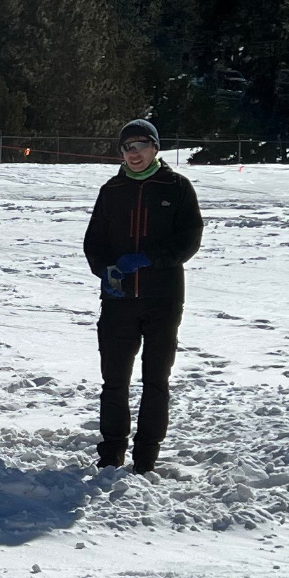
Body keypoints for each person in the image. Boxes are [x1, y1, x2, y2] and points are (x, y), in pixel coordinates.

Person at [81, 118, 201, 473]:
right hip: (118, 303)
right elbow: (93, 243)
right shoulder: (112, 190)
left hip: (163, 300)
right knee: (114, 381)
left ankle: (146, 456)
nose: (133, 153)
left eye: (140, 145)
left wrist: (151, 259)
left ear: (155, 148)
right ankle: (111, 453)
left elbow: (189, 241)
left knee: (155, 379)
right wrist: (105, 271)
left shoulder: (176, 187)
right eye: (126, 147)